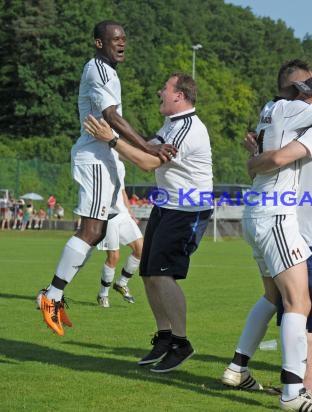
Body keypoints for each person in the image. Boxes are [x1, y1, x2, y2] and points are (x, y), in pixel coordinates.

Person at [221, 63, 312, 412]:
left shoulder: (270, 112)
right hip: (277, 216)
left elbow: (276, 153)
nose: (304, 100)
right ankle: (293, 394)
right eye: (301, 92)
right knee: (299, 304)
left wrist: (254, 159)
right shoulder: (298, 113)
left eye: (308, 95)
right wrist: (258, 161)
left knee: (275, 298)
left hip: (264, 214)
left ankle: (238, 367)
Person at [36, 20, 174, 336]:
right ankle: (51, 296)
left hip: (107, 160)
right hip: (95, 158)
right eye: (115, 39)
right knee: (91, 230)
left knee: (97, 234)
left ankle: (52, 294)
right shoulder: (98, 69)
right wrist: (147, 144)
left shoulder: (109, 72)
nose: (122, 43)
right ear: (99, 43)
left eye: (124, 38)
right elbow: (111, 117)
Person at [85, 71, 213, 373]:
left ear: (179, 95)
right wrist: (114, 133)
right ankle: (165, 337)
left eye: (165, 89)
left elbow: (146, 162)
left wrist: (112, 139)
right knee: (148, 273)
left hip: (187, 210)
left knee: (163, 275)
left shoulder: (188, 128)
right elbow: (146, 148)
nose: (159, 92)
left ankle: (182, 343)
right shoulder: (172, 124)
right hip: (166, 207)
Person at [96, 152, 143, 308]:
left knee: (141, 249)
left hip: (123, 215)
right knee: (114, 257)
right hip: (107, 216)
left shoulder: (120, 166)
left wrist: (130, 213)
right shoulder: (98, 163)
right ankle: (103, 294)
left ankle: (122, 283)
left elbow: (122, 191)